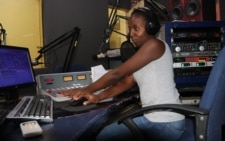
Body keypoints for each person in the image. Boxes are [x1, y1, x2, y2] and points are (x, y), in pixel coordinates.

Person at [62, 7, 185, 141]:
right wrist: (98, 97)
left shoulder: (155, 45)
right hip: (161, 121)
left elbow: (117, 74)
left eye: (136, 28)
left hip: (165, 123)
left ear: (150, 28)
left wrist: (84, 90)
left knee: (103, 136)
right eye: (129, 29)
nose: (131, 34)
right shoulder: (145, 54)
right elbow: (125, 82)